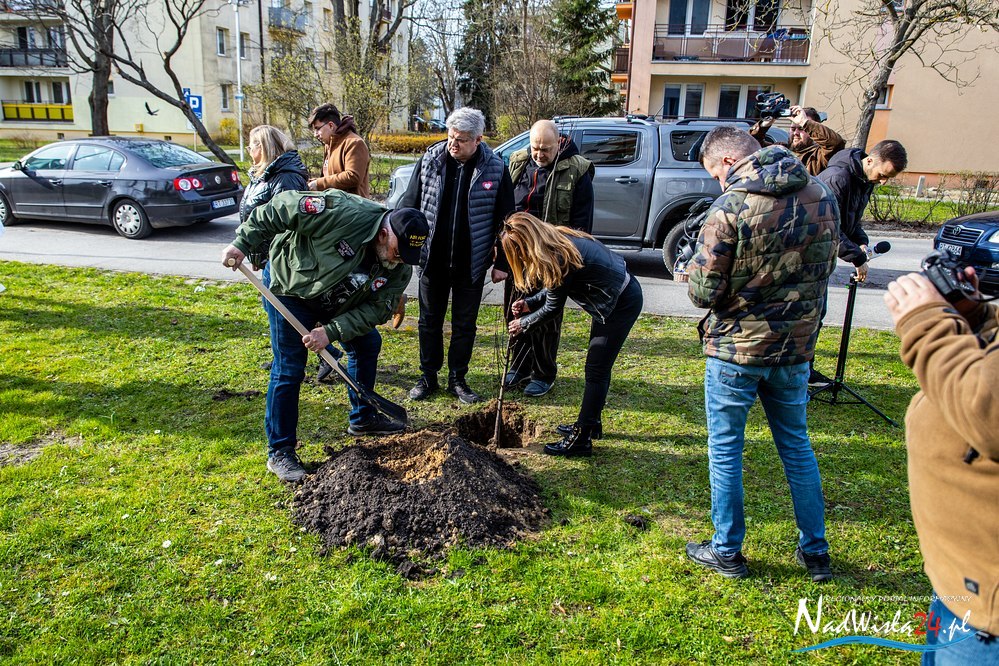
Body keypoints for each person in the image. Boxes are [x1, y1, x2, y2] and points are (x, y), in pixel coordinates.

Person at [684, 126, 839, 581]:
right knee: (796, 446)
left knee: (726, 450)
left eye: (715, 173)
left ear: (729, 161)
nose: (718, 182)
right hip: (795, 349)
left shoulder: (730, 207)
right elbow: (825, 266)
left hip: (737, 350)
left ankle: (727, 551)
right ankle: (816, 552)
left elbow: (703, 292)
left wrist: (692, 269)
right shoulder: (821, 193)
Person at [221, 192, 429, 483]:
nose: (401, 259)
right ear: (384, 234)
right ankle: (280, 451)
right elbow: (280, 208)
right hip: (290, 287)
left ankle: (363, 418)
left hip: (338, 301)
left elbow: (377, 309)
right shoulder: (342, 211)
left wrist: (331, 331)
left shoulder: (400, 267)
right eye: (398, 251)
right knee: (289, 368)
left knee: (368, 343)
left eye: (408, 254)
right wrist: (243, 243)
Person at [884, 269, 998, 664]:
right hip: (960, 584)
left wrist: (927, 323)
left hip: (988, 622)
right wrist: (978, 318)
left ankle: (728, 549)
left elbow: (991, 414)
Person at [398, 106, 515, 405]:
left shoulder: (495, 168)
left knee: (465, 325)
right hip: (432, 259)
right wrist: (403, 247)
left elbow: (507, 220)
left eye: (461, 140)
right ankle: (428, 377)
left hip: (471, 262)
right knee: (429, 321)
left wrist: (502, 262)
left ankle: (457, 379)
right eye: (451, 137)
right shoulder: (430, 160)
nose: (453, 144)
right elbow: (409, 205)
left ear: (478, 140)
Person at [503, 212, 642, 457]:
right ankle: (591, 423)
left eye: (519, 254)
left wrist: (523, 324)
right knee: (598, 368)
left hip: (620, 303)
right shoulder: (557, 241)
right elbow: (555, 288)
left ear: (525, 244)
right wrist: (529, 303)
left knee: (596, 370)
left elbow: (553, 307)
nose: (521, 260)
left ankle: (581, 438)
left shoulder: (558, 255)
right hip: (616, 297)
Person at [503, 119, 595, 398]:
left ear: (559, 144)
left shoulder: (577, 170)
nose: (539, 154)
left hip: (552, 257)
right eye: (535, 148)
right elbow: (505, 206)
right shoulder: (518, 162)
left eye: (545, 149)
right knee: (516, 309)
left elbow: (582, 224)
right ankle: (519, 365)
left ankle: (543, 373)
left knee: (546, 317)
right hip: (519, 254)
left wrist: (566, 259)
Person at [810, 139, 907, 385]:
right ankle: (795, 374)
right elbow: (827, 226)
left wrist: (861, 242)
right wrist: (857, 257)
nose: (883, 182)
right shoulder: (837, 178)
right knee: (808, 316)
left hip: (822, 257)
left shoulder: (864, 180)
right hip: (807, 255)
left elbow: (850, 221)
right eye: (882, 175)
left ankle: (804, 371)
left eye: (888, 178)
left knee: (816, 314)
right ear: (870, 160)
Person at [750, 105, 845, 176]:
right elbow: (750, 144)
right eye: (793, 128)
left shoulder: (819, 155)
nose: (796, 133)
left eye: (801, 128)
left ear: (811, 131)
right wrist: (764, 124)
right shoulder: (780, 149)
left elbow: (836, 143)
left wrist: (804, 122)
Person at [307, 103, 371, 198]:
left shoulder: (354, 143)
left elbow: (353, 177)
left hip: (353, 205)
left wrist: (319, 184)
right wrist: (313, 182)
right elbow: (330, 178)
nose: (315, 134)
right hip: (336, 204)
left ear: (331, 125)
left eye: (317, 129)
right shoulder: (329, 145)